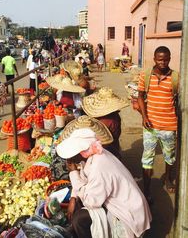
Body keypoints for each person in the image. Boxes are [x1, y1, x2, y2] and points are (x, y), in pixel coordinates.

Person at [57, 128, 151, 238]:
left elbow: (91, 202)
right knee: (79, 203)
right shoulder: (95, 155)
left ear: (81, 152)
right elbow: (83, 179)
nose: (69, 159)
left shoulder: (99, 167)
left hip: (128, 216)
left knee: (80, 218)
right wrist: (73, 198)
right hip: (128, 205)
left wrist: (73, 173)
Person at [137, 46, 178, 204]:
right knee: (147, 159)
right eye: (160, 59)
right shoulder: (146, 75)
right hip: (150, 126)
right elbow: (140, 96)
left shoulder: (175, 77)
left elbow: (179, 101)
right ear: (154, 59)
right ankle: (146, 190)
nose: (163, 62)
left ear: (169, 59)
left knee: (170, 156)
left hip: (169, 126)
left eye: (166, 59)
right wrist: (144, 116)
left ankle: (168, 179)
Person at [82, 87, 128, 159]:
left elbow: (103, 143)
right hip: (111, 147)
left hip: (106, 151)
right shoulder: (114, 116)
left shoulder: (108, 121)